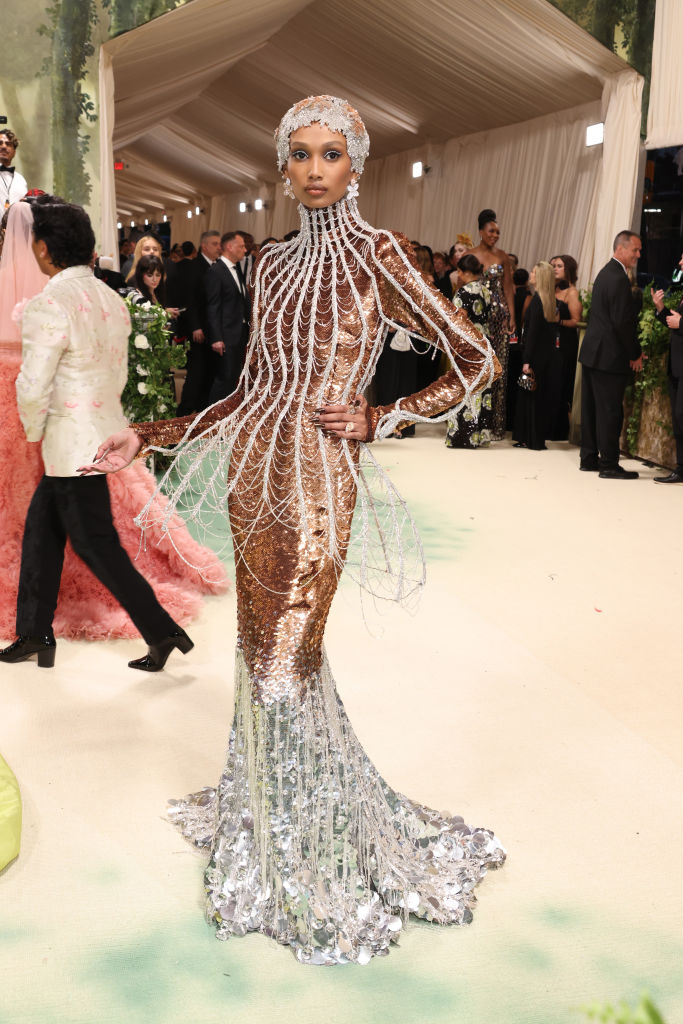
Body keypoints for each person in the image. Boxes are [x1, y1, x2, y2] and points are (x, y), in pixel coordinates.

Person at [81, 95, 504, 966]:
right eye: (300, 155)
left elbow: (474, 357)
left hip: (317, 481)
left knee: (284, 664)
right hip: (251, 477)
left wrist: (382, 414)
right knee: (259, 655)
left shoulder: (380, 255)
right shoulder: (269, 265)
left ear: (356, 164)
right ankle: (276, 817)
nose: (314, 170)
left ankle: (313, 851)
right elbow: (245, 396)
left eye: (331, 154)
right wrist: (147, 436)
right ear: (284, 166)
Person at [0, 200, 227, 643]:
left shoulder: (49, 304)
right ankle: (32, 634)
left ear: (44, 250)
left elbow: (32, 385)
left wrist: (32, 432)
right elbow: (117, 376)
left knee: (95, 544)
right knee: (41, 538)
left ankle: (163, 634)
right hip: (103, 433)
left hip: (69, 444)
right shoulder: (111, 299)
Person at [579, 231, 643, 478]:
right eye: (635, 250)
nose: (638, 255)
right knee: (609, 411)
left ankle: (588, 458)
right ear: (620, 249)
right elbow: (621, 323)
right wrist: (635, 353)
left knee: (592, 409)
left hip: (594, 353)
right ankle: (608, 464)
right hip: (609, 356)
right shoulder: (618, 278)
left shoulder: (606, 272)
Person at [466, 210, 515, 439]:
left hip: (498, 316)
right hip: (476, 317)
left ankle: (495, 425)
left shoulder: (503, 256)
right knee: (476, 368)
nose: (495, 235)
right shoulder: (471, 254)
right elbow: (462, 286)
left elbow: (508, 289)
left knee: (498, 370)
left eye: (497, 232)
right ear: (481, 232)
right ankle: (472, 420)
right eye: (491, 231)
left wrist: (512, 316)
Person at [512, 261, 561, 450]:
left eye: (533, 272)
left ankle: (529, 439)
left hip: (534, 357)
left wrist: (526, 360)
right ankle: (533, 438)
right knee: (537, 397)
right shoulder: (549, 301)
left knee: (530, 395)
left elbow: (532, 334)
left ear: (540, 276)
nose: (530, 274)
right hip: (546, 356)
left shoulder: (538, 301)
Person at [446, 253, 493, 448]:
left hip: (467, 345)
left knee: (464, 388)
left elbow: (460, 319)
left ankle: (462, 436)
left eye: (459, 271)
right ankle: (479, 435)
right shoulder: (485, 290)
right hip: (484, 342)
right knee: (481, 388)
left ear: (465, 272)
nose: (457, 274)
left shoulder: (463, 292)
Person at [176, 229, 221, 415]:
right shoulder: (195, 266)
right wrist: (195, 326)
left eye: (219, 244)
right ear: (204, 246)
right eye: (214, 244)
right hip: (199, 329)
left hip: (210, 330)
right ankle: (185, 412)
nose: (218, 248)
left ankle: (201, 412)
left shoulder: (215, 266)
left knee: (207, 374)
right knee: (196, 374)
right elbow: (190, 300)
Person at [206, 230, 249, 403]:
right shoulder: (216, 271)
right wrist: (216, 337)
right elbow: (213, 306)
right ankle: (210, 418)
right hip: (226, 335)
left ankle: (225, 417)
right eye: (242, 246)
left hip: (238, 333)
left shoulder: (234, 269)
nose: (245, 250)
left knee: (233, 379)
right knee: (224, 379)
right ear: (230, 247)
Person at [651, 253, 683, 483]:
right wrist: (661, 309)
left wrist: (681, 322)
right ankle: (681, 468)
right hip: (677, 366)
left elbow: (680, 323)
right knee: (678, 419)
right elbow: (675, 323)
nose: (680, 263)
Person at [550, 254, 582, 440]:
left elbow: (576, 321)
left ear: (568, 269)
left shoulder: (572, 292)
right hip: (548, 341)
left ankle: (559, 430)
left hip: (564, 343)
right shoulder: (550, 289)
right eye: (553, 265)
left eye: (559, 266)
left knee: (561, 383)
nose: (554, 268)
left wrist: (559, 321)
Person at [0, 130, 27, 210]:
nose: (4, 146)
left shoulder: (21, 180)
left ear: (14, 152)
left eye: (8, 144)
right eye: (0, 143)